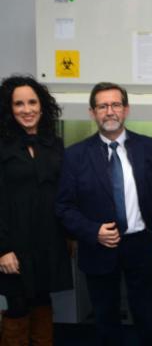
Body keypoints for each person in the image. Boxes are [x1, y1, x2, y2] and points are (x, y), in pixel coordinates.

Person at [55, 82, 152, 346]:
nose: (110, 111)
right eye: (102, 106)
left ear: (126, 109)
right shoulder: (75, 155)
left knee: (149, 319)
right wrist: (93, 231)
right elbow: (63, 206)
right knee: (105, 322)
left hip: (143, 245)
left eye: (115, 104)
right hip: (99, 247)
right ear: (92, 112)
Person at [0, 75, 72, 346]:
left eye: (32, 102)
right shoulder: (2, 146)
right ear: (9, 108)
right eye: (19, 104)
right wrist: (3, 248)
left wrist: (68, 236)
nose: (27, 109)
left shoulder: (53, 144)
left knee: (43, 299)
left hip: (48, 240)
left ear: (42, 107)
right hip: (13, 244)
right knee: (18, 303)